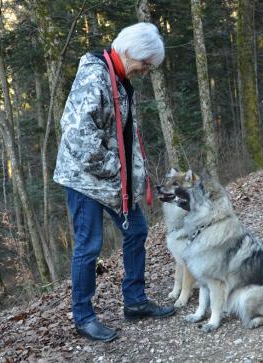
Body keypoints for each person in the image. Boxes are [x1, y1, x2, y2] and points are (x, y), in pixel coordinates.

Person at [53, 22, 174, 343]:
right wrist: (116, 173)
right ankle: (83, 317)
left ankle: (134, 302)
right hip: (84, 178)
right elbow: (79, 137)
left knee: (136, 231)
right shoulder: (95, 77)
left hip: (110, 178)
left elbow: (121, 134)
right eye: (146, 64)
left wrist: (132, 174)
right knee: (89, 245)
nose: (146, 72)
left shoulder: (118, 77)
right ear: (132, 53)